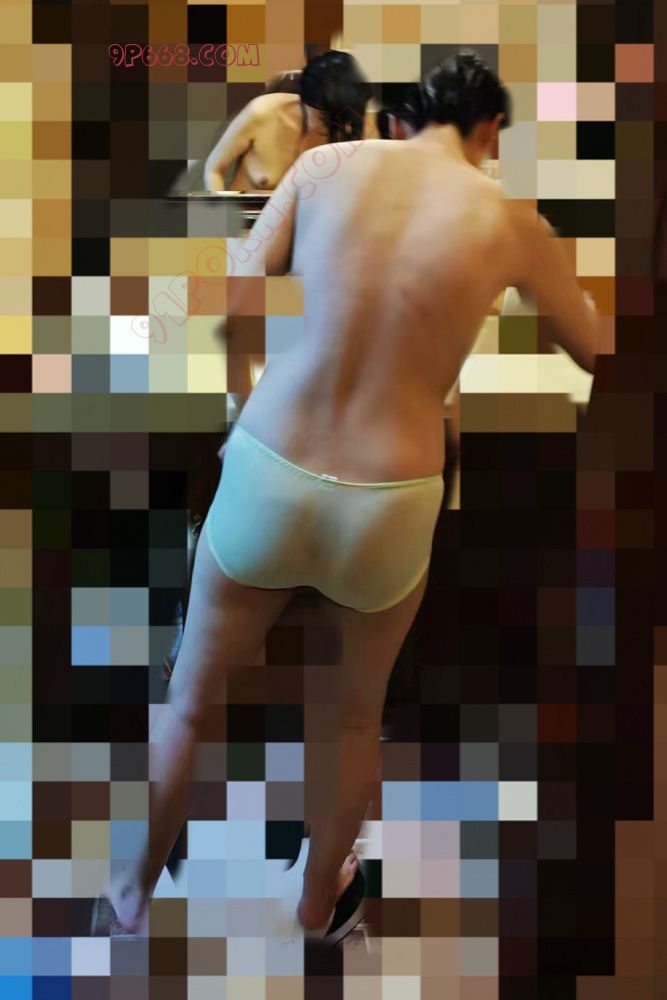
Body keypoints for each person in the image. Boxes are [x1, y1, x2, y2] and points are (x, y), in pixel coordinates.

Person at [93, 51, 599, 945]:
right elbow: (598, 349)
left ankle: (131, 898)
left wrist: (241, 407)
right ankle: (316, 904)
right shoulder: (512, 221)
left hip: (272, 462)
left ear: (400, 119)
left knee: (192, 702)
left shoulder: (327, 164)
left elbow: (233, 304)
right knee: (354, 717)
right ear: (489, 130)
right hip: (391, 494)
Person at [204, 49, 374, 192]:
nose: (332, 123)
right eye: (323, 115)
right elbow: (214, 170)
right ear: (305, 99)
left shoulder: (351, 128)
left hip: (310, 220)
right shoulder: (263, 112)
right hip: (250, 218)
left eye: (341, 117)